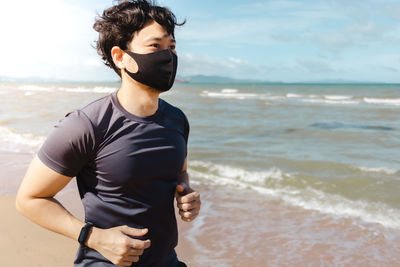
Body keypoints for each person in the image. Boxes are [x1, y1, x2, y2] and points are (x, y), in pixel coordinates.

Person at [15, 0, 201, 266]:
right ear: (120, 56)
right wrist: (92, 237)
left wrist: (187, 194)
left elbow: (180, 172)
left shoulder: (177, 120)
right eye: (155, 46)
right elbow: (29, 199)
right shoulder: (86, 124)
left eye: (171, 47)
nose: (168, 56)